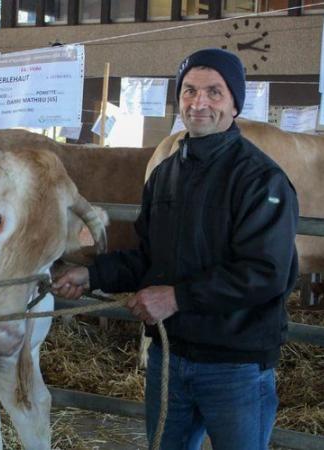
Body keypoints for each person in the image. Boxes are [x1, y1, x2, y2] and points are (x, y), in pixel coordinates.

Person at [53, 48, 298, 450]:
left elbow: (265, 274)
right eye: (189, 91)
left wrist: (177, 298)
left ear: (236, 104)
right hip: (171, 361)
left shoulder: (261, 180)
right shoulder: (166, 175)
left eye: (214, 93)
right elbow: (150, 257)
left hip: (235, 364)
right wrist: (91, 274)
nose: (199, 103)